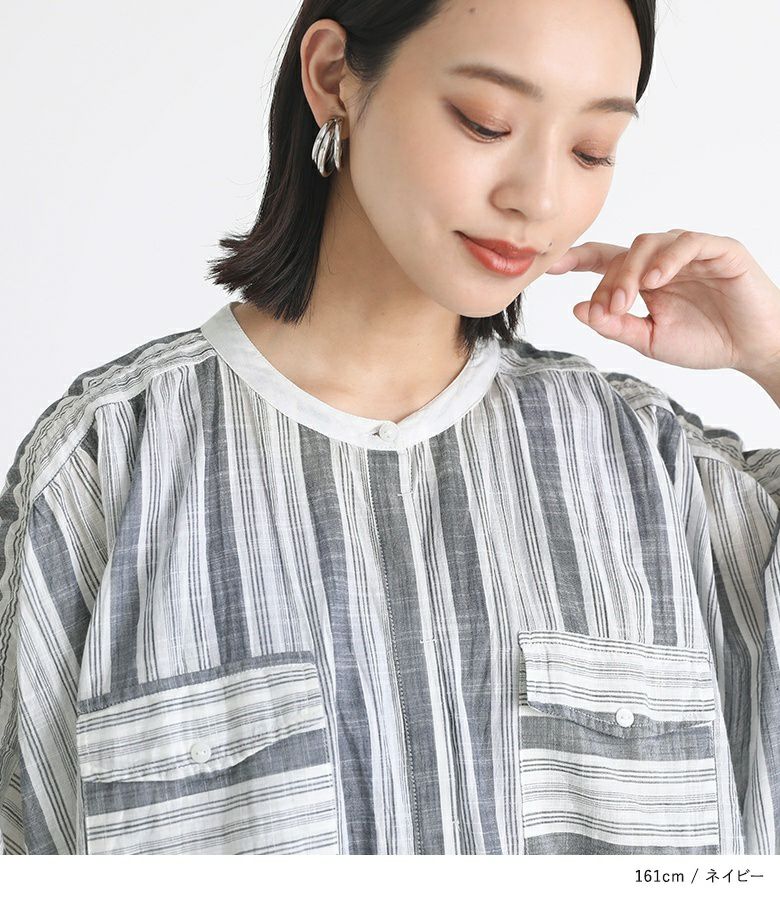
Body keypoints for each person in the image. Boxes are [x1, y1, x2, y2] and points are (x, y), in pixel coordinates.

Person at [1, 0, 778, 855]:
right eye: (486, 122)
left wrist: (772, 352)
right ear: (333, 75)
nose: (542, 198)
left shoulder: (655, 469)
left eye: (592, 149)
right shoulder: (102, 468)